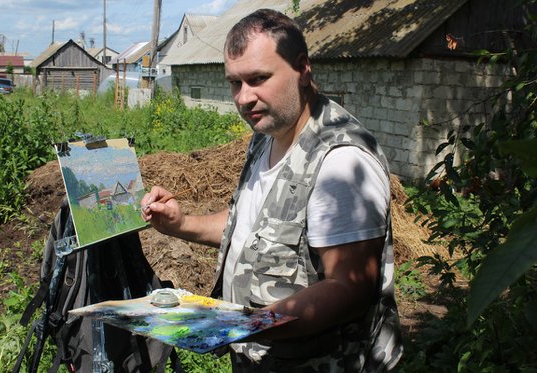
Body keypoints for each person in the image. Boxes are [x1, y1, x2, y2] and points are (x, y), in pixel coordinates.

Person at [141, 8, 402, 372]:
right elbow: (252, 231)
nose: (244, 98)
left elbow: (350, 290)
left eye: (259, 78)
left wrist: (239, 327)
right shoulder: (268, 135)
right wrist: (180, 223)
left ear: (302, 69)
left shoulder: (340, 163)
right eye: (235, 82)